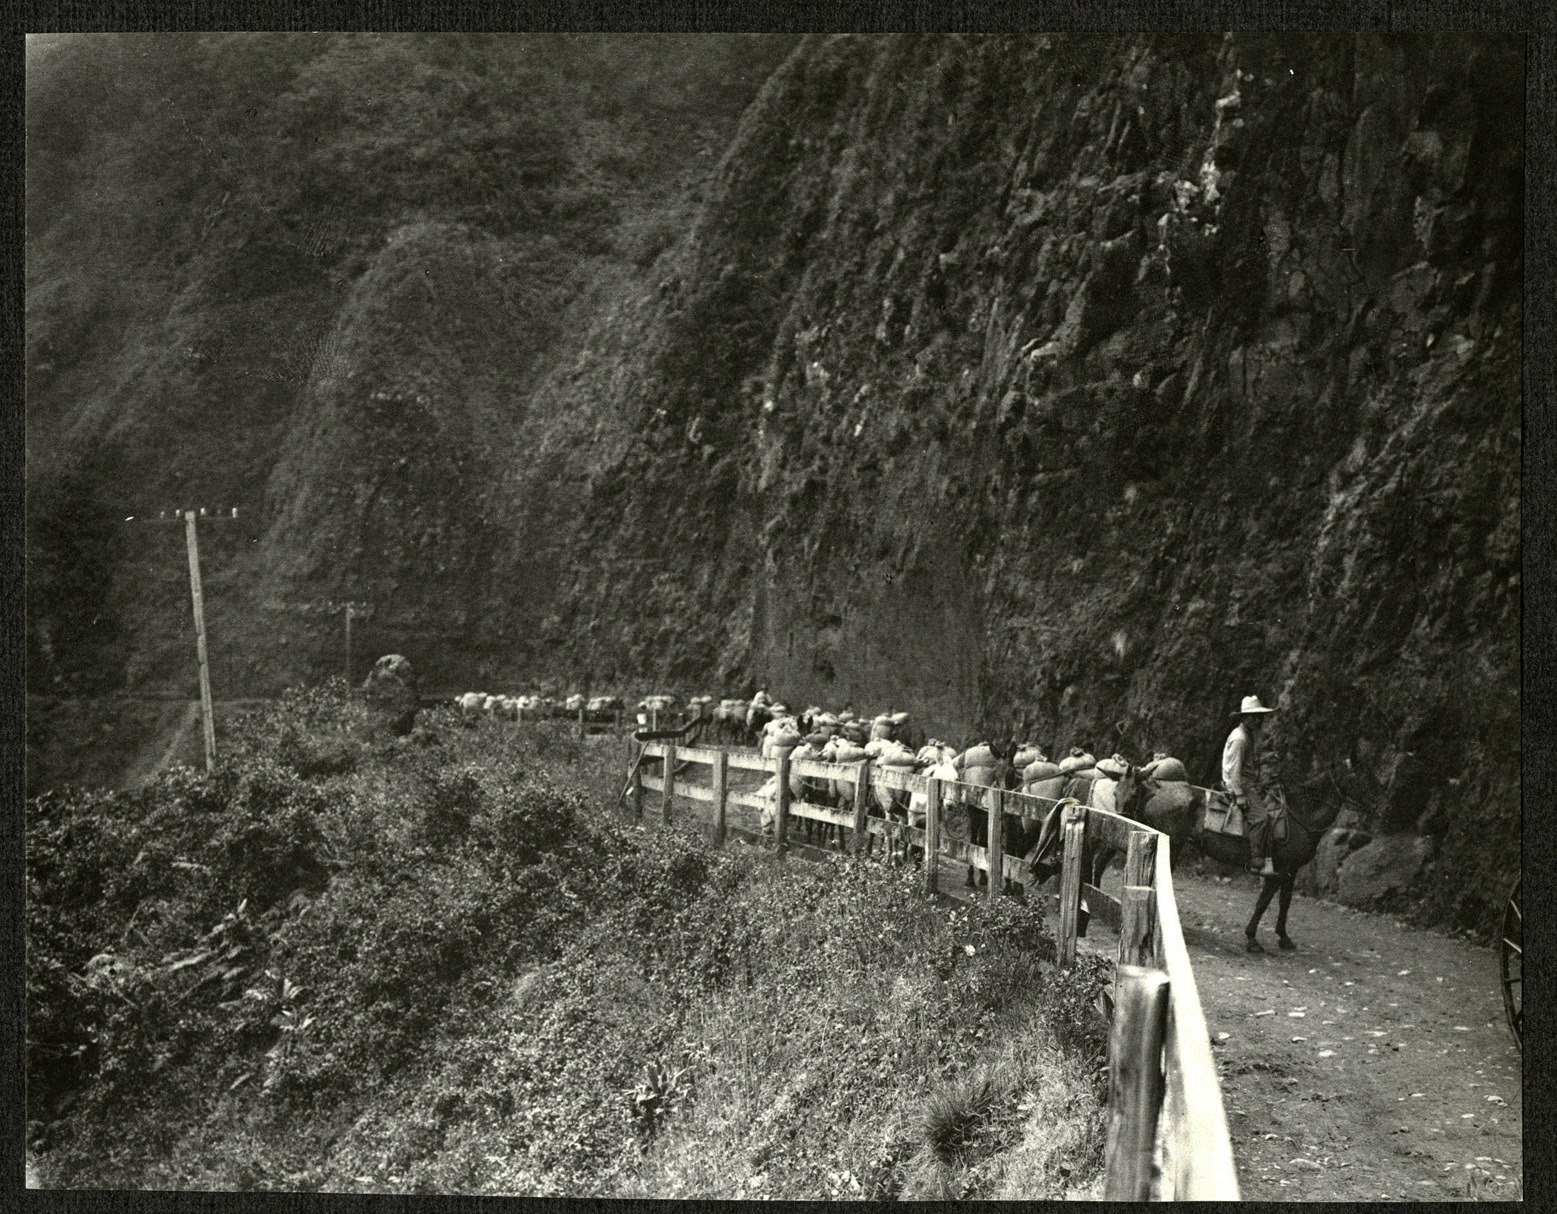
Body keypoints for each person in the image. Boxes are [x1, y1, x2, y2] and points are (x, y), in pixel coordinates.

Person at [1222, 694, 1280, 876]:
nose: (1257, 720)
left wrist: (1267, 759)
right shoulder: (1240, 738)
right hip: (1240, 783)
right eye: (1253, 716)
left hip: (1247, 781)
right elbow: (1234, 770)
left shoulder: (1247, 735)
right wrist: (1239, 794)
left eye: (1259, 716)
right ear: (1244, 717)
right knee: (1261, 817)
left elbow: (1248, 763)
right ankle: (1257, 862)